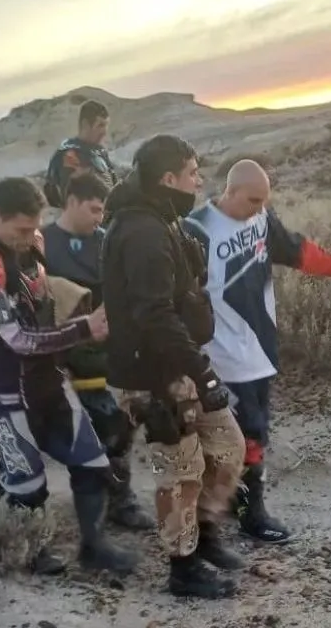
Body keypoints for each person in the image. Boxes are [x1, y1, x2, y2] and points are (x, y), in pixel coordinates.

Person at [0, 176, 137, 575]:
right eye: (19, 228)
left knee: (92, 462)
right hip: (4, 391)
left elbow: (41, 312)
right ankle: (28, 551)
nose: (27, 235)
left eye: (33, 226)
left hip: (49, 379)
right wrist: (85, 328)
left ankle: (94, 545)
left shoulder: (34, 243)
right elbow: (15, 338)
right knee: (26, 484)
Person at [182, 160, 331, 544]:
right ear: (229, 192)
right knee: (246, 435)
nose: (260, 206)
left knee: (253, 430)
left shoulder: (262, 219)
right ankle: (251, 513)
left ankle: (232, 499)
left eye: (265, 200)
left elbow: (297, 250)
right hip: (221, 356)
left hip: (259, 350)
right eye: (253, 199)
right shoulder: (195, 230)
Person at [101, 134, 247, 599]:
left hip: (176, 366)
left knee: (227, 447)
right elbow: (153, 315)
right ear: (168, 178)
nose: (198, 180)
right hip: (152, 375)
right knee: (181, 468)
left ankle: (202, 534)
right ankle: (183, 567)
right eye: (191, 172)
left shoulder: (162, 219)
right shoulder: (142, 232)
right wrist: (202, 372)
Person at [40, 173, 154, 531]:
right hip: (60, 355)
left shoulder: (107, 242)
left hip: (106, 355)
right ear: (71, 200)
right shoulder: (42, 244)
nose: (97, 219)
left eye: (102, 212)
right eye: (92, 209)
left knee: (120, 427)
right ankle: (87, 510)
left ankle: (120, 500)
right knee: (82, 434)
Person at [43, 100, 118, 209]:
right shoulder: (70, 155)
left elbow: (113, 184)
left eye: (106, 125)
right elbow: (71, 197)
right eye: (100, 125)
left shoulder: (100, 152)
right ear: (85, 125)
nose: (104, 131)